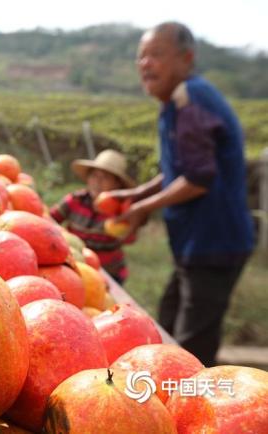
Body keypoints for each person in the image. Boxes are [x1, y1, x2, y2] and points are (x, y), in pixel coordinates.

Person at [111, 22, 255, 367]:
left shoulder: (190, 98)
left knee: (191, 346)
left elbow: (198, 178)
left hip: (214, 243)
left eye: (156, 55)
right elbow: (179, 169)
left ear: (186, 58)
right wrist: (138, 192)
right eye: (141, 56)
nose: (146, 64)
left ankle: (198, 413)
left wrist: (142, 207)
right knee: (168, 325)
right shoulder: (176, 103)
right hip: (196, 244)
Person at [50, 149, 136, 284]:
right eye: (94, 176)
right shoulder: (75, 200)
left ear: (117, 184)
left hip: (109, 273)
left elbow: (130, 238)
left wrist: (121, 213)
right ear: (88, 178)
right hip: (75, 264)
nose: (98, 181)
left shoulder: (121, 210)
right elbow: (50, 219)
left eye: (105, 177)